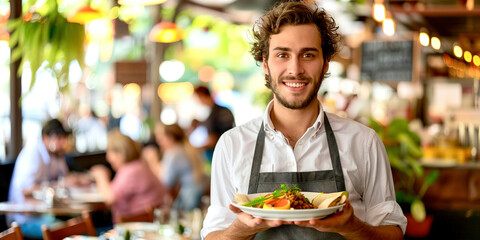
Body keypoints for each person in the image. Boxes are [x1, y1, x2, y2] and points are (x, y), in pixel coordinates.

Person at [201, 2, 406, 240]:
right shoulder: (232, 145)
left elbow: (393, 234)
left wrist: (352, 227)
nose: (295, 69)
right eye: (282, 55)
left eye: (308, 55)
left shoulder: (363, 142)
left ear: (326, 63)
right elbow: (214, 236)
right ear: (265, 64)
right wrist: (243, 228)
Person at [7, 118, 85, 239]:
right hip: (24, 219)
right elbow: (26, 190)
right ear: (45, 138)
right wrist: (58, 185)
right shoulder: (33, 153)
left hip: (47, 215)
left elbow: (65, 178)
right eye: (59, 138)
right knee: (67, 231)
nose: (63, 143)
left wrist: (79, 179)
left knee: (77, 225)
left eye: (63, 138)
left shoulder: (56, 154)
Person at [90, 129, 168, 223]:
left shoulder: (130, 171)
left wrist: (101, 177)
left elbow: (109, 199)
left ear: (120, 152)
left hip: (135, 228)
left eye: (110, 152)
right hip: (147, 223)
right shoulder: (139, 166)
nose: (108, 158)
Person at [155, 123, 205, 212]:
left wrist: (153, 163)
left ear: (170, 138)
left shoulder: (173, 153)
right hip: (198, 193)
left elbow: (166, 182)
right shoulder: (186, 148)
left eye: (161, 138)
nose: (159, 142)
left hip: (189, 199)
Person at [193, 85, 235, 162]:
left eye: (197, 98)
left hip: (221, 154)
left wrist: (196, 148)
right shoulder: (214, 112)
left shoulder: (219, 112)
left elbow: (215, 138)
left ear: (201, 95)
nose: (198, 101)